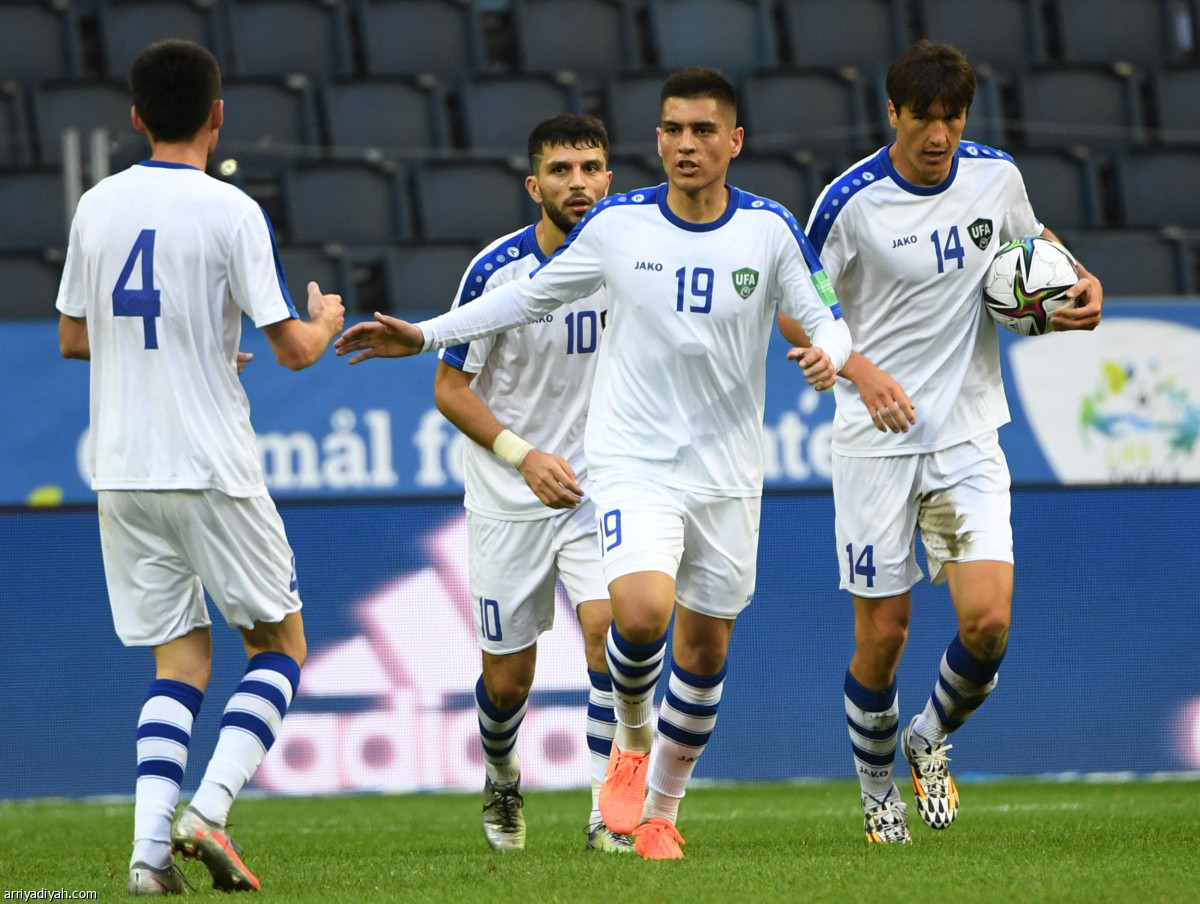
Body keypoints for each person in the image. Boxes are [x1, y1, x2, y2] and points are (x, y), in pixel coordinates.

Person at [335, 67, 853, 860]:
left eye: (704, 130)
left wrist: (832, 354)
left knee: (695, 648)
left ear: (734, 141)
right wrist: (428, 334)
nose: (687, 143)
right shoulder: (613, 232)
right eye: (674, 129)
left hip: (711, 472)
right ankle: (553, 766)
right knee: (595, 639)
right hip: (590, 475)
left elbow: (822, 312)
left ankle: (645, 812)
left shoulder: (769, 229)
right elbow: (526, 299)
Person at [791, 39, 1103, 844]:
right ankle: (874, 790)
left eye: (952, 118)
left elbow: (1033, 250)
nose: (939, 134)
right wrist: (858, 370)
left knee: (988, 623)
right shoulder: (847, 201)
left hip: (967, 433)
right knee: (884, 634)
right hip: (874, 442)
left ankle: (928, 734)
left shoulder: (995, 176)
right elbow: (797, 303)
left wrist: (1078, 282)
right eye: (923, 118)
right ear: (891, 114)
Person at [55, 40, 345, 894]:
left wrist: (194, 350)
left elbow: (76, 336)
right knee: (280, 646)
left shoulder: (96, 205)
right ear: (219, 116)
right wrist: (325, 319)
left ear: (137, 118)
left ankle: (148, 858)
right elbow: (293, 350)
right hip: (209, 463)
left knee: (177, 663)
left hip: (121, 467)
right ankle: (209, 811)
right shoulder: (230, 209)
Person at [433, 114, 633, 854]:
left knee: (611, 632)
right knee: (509, 682)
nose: (577, 182)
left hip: (598, 488)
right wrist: (524, 456)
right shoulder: (497, 270)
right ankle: (501, 774)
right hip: (509, 495)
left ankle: (605, 811)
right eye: (561, 170)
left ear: (609, 177)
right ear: (534, 185)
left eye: (590, 168)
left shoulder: (633, 260)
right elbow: (450, 389)